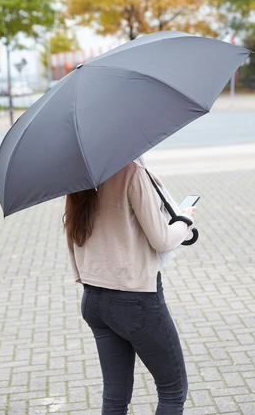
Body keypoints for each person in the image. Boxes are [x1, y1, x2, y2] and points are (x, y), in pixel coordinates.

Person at [64, 157, 196, 415]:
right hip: (135, 301)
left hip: (93, 299)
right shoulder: (130, 170)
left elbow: (73, 236)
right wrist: (184, 220)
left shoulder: (77, 173)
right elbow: (162, 240)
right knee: (173, 390)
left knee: (115, 395)